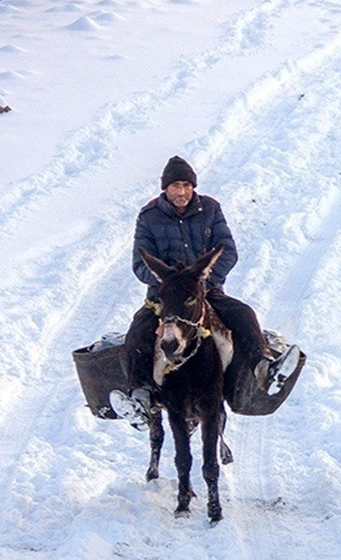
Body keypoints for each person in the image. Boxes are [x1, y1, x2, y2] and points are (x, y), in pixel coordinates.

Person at [110, 156, 299, 430]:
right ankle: (141, 396)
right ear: (165, 188)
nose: (182, 192)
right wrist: (168, 282)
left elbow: (227, 250)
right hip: (165, 296)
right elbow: (140, 263)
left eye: (187, 185)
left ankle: (264, 368)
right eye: (176, 186)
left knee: (243, 314)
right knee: (139, 331)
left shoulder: (210, 209)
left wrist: (204, 280)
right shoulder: (148, 217)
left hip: (205, 290)